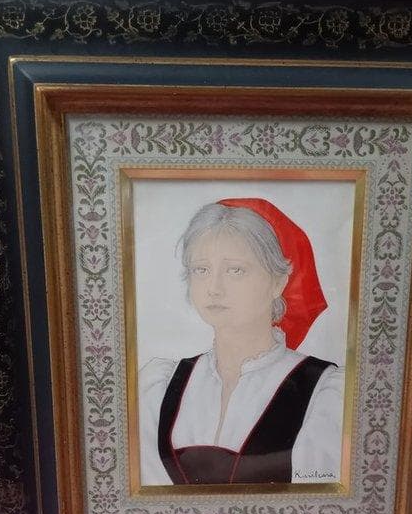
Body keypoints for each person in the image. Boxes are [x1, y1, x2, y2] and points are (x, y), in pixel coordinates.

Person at [139, 197, 345, 486]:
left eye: (235, 270)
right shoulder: (160, 386)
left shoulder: (323, 390)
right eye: (201, 269)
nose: (214, 288)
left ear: (278, 282)